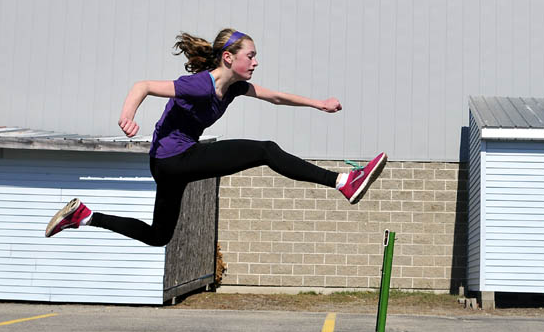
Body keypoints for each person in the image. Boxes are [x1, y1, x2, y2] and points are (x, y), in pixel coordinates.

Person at [45, 29, 387, 246]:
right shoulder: (200, 85)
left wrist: (319, 104)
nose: (255, 62)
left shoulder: (235, 88)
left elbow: (275, 97)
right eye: (250, 56)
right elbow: (143, 86)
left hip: (170, 164)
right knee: (265, 150)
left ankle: (85, 216)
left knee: (158, 236)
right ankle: (343, 181)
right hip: (172, 160)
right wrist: (127, 116)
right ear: (229, 57)